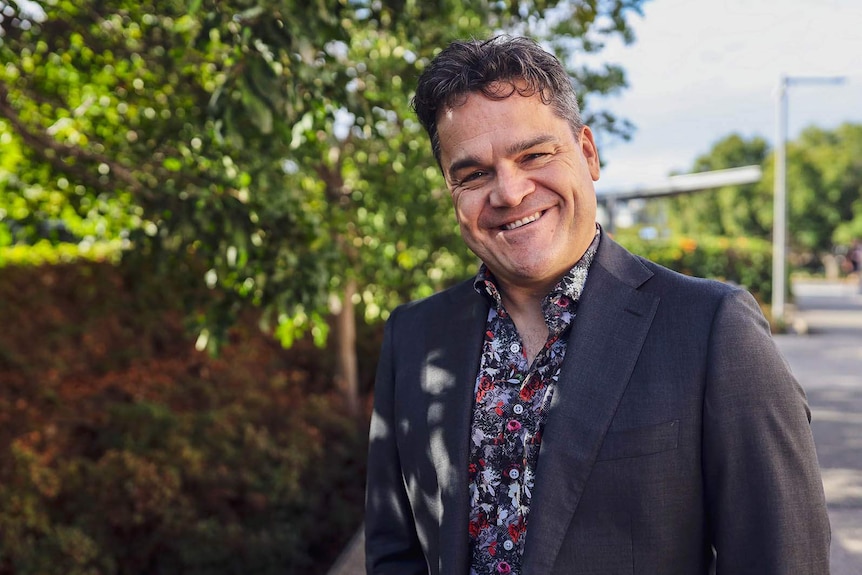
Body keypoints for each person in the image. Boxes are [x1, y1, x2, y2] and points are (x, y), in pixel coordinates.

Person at [364, 35, 831, 574]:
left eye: (534, 154)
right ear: (452, 191)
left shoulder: (712, 329)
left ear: (588, 153)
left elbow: (783, 559)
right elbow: (394, 549)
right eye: (473, 174)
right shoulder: (415, 338)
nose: (509, 193)